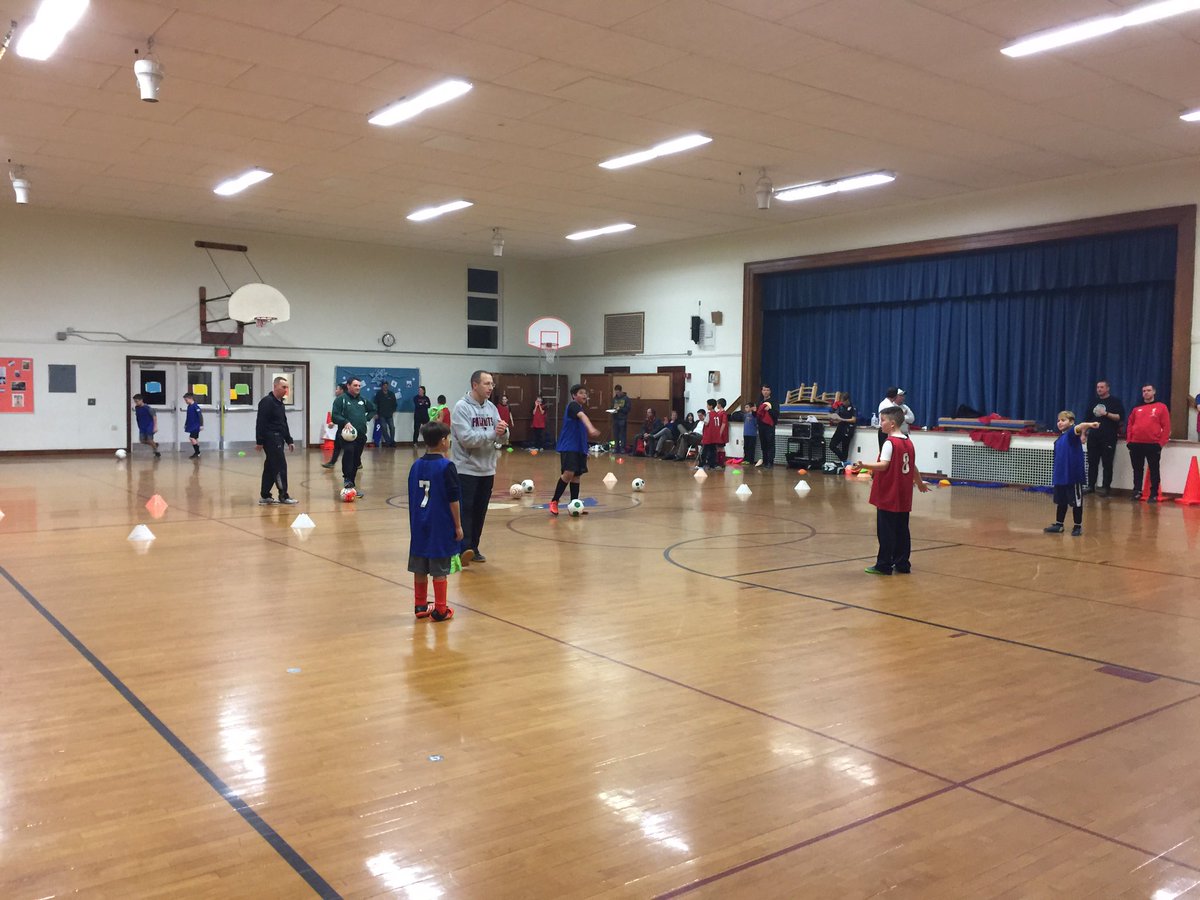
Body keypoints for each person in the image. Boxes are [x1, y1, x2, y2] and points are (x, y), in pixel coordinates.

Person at [858, 406, 929, 575]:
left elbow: (883, 465)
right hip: (903, 494)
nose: (880, 424)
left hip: (888, 493)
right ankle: (902, 563)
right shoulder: (908, 442)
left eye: (882, 420)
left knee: (886, 531)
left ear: (891, 424)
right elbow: (913, 467)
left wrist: (864, 465)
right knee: (902, 530)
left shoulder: (890, 443)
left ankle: (884, 565)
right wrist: (919, 483)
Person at [408, 421, 463, 622]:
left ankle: (420, 605)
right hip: (440, 525)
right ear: (443, 441)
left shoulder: (415, 466)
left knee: (420, 567)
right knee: (439, 568)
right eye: (448, 438)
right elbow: (453, 500)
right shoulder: (447, 467)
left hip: (419, 524)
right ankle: (440, 609)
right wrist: (457, 525)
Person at [451, 370, 508, 564]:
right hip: (466, 469)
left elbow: (500, 435)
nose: (491, 387)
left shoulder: (492, 407)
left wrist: (503, 431)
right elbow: (467, 439)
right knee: (466, 509)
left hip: (487, 468)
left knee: (480, 510)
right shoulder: (462, 408)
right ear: (475, 385)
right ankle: (463, 548)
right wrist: (493, 434)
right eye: (486, 383)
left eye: (492, 384)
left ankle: (473, 547)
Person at [1044, 410, 1099, 536]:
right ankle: (1059, 524)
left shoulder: (1071, 434)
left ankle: (1077, 526)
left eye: (1063, 420)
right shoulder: (1060, 438)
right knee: (1061, 501)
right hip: (1061, 475)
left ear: (1071, 422)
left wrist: (1090, 425)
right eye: (1058, 420)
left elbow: (1079, 427)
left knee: (1076, 502)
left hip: (1072, 475)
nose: (1060, 423)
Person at [549, 384, 601, 516]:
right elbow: (583, 418)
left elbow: (580, 431)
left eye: (586, 393)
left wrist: (585, 449)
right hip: (569, 446)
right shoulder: (573, 406)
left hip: (579, 448)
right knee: (568, 473)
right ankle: (554, 501)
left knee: (577, 476)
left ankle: (574, 505)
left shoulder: (580, 409)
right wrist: (591, 428)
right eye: (581, 393)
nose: (585, 395)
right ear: (574, 395)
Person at [255, 375, 298, 505]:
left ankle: (265, 495)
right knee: (280, 466)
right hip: (271, 438)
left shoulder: (280, 403)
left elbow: (283, 423)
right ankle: (283, 495)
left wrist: (289, 440)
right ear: (275, 386)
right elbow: (260, 422)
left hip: (279, 438)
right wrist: (259, 441)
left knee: (270, 467)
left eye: (287, 387)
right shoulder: (267, 402)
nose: (285, 390)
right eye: (283, 387)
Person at [331, 377, 375, 498]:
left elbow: (373, 409)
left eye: (359, 386)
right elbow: (335, 416)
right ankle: (347, 480)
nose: (358, 388)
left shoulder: (363, 401)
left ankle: (352, 484)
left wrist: (366, 418)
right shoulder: (341, 400)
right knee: (349, 452)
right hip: (347, 436)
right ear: (348, 386)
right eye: (355, 385)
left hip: (361, 435)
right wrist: (345, 422)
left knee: (356, 459)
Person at [1126, 383, 1170, 502]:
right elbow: (1130, 424)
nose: (1146, 392)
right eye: (1144, 391)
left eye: (1148, 390)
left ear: (1154, 392)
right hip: (1136, 443)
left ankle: (1154, 493)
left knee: (1154, 469)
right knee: (1137, 469)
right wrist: (1129, 440)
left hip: (1153, 444)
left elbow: (1166, 427)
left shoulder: (1161, 407)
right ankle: (1137, 491)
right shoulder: (1136, 408)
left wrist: (1160, 443)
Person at [1082, 379, 1124, 496]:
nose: (1099, 389)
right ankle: (1091, 486)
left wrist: (1106, 413)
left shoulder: (1115, 402)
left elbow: (1119, 417)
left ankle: (1106, 487)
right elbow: (1086, 420)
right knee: (1092, 463)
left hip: (1108, 437)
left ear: (1107, 388)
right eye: (1098, 387)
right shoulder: (1093, 402)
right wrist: (1083, 434)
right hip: (1094, 437)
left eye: (1101, 387)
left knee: (1107, 463)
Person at [829, 391, 857, 471]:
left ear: (847, 400)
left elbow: (853, 419)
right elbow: (835, 415)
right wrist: (833, 418)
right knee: (832, 445)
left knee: (845, 448)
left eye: (844, 401)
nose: (842, 403)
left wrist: (842, 419)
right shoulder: (840, 407)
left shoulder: (853, 407)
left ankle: (844, 466)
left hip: (848, 429)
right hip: (840, 428)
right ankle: (844, 461)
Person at [322, 384, 346, 469]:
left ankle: (356, 463)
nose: (336, 391)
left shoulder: (344, 400)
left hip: (346, 427)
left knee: (347, 447)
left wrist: (333, 421)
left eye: (337, 389)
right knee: (337, 445)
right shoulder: (339, 400)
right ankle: (332, 462)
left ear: (342, 390)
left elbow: (342, 414)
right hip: (340, 426)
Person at [755, 384, 778, 468]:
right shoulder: (760, 402)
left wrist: (770, 410)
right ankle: (765, 461)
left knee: (770, 444)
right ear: (762, 391)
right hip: (761, 426)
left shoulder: (774, 401)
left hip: (769, 426)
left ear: (770, 391)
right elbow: (757, 415)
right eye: (764, 390)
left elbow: (776, 414)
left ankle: (770, 462)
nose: (765, 392)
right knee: (763, 444)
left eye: (767, 390)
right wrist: (754, 411)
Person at [133, 394, 160, 458]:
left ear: (141, 400)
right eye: (135, 401)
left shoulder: (148, 408)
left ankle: (156, 452)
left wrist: (155, 426)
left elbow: (154, 416)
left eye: (137, 401)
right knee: (142, 440)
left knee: (150, 439)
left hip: (149, 426)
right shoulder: (137, 408)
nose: (136, 403)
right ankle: (155, 444)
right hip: (142, 426)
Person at [698, 398, 722, 470]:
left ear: (711, 406)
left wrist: (704, 418)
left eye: (707, 405)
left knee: (704, 451)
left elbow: (706, 423)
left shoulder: (709, 414)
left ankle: (701, 465)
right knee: (713, 451)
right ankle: (712, 464)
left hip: (708, 436)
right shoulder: (717, 414)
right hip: (714, 436)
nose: (707, 406)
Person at [374, 382, 397, 447]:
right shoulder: (379, 394)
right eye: (384, 386)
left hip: (389, 414)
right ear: (382, 386)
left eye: (387, 386)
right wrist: (376, 413)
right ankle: (388, 442)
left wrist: (393, 411)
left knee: (392, 428)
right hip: (381, 414)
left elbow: (395, 404)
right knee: (384, 428)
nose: (385, 387)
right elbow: (375, 404)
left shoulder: (391, 394)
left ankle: (392, 441)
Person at [611, 384, 631, 452]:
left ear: (620, 391)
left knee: (622, 434)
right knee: (615, 434)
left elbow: (628, 409)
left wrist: (620, 409)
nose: (617, 393)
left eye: (618, 392)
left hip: (622, 419)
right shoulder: (614, 399)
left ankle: (622, 448)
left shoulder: (626, 398)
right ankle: (616, 448)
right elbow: (612, 406)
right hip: (615, 418)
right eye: (616, 392)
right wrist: (612, 410)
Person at [183, 392, 203, 458]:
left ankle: (197, 452)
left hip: (196, 425)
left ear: (191, 398)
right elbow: (188, 416)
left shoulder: (195, 406)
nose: (186, 402)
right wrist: (186, 424)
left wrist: (201, 425)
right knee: (195, 438)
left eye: (186, 400)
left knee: (192, 438)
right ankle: (198, 452)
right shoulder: (189, 406)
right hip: (191, 425)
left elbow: (200, 416)